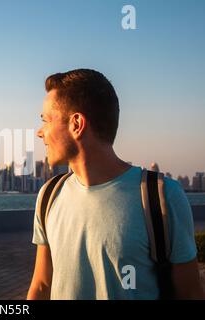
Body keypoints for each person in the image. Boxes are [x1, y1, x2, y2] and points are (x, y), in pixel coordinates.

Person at [27, 69, 204, 300]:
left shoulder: (161, 196)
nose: (40, 132)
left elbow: (190, 293)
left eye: (45, 120)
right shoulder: (49, 196)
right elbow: (41, 286)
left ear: (77, 124)